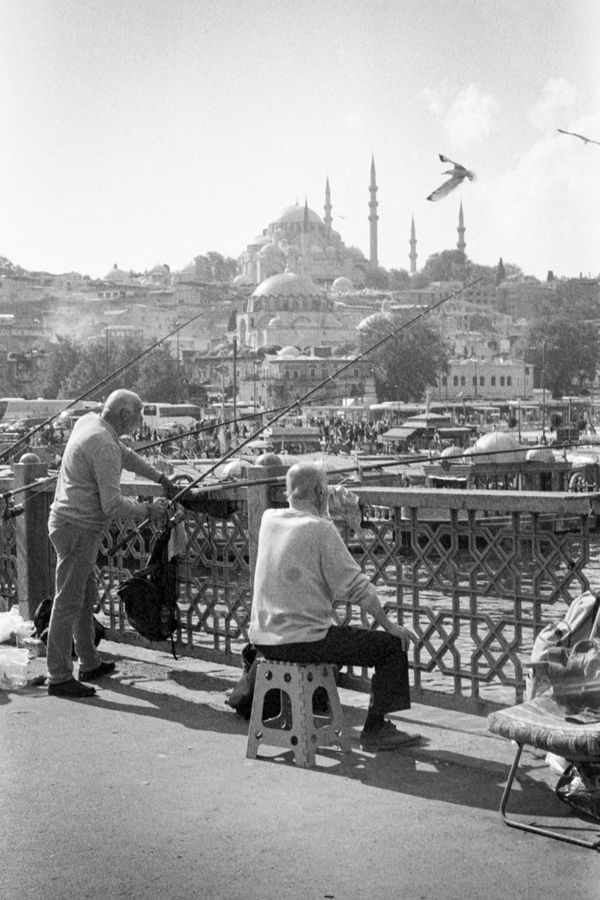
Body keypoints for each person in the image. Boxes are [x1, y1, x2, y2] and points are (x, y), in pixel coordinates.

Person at [248, 462, 422, 751]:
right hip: (303, 642)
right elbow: (356, 587)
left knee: (335, 632)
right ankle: (376, 728)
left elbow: (307, 520)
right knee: (391, 646)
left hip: (263, 641)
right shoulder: (321, 530)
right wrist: (390, 625)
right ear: (320, 491)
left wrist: (322, 503)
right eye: (324, 490)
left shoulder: (269, 519)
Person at [46, 389, 178, 699]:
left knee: (85, 594)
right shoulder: (102, 442)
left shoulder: (91, 422)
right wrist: (149, 509)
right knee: (67, 601)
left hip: (70, 524)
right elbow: (113, 505)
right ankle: (58, 675)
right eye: (138, 415)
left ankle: (88, 661)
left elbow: (126, 456)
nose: (140, 421)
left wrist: (159, 477)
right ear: (123, 415)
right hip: (78, 528)